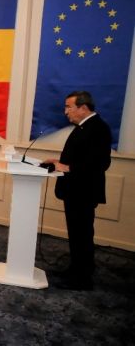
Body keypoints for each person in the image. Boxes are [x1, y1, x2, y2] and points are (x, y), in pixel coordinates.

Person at [43, 91, 112, 291]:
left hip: (83, 191)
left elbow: (101, 163)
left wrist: (69, 167)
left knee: (82, 234)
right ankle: (75, 269)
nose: (65, 111)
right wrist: (59, 162)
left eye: (68, 107)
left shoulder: (98, 128)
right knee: (76, 234)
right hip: (75, 190)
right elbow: (82, 156)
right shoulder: (84, 126)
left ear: (83, 108)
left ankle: (82, 278)